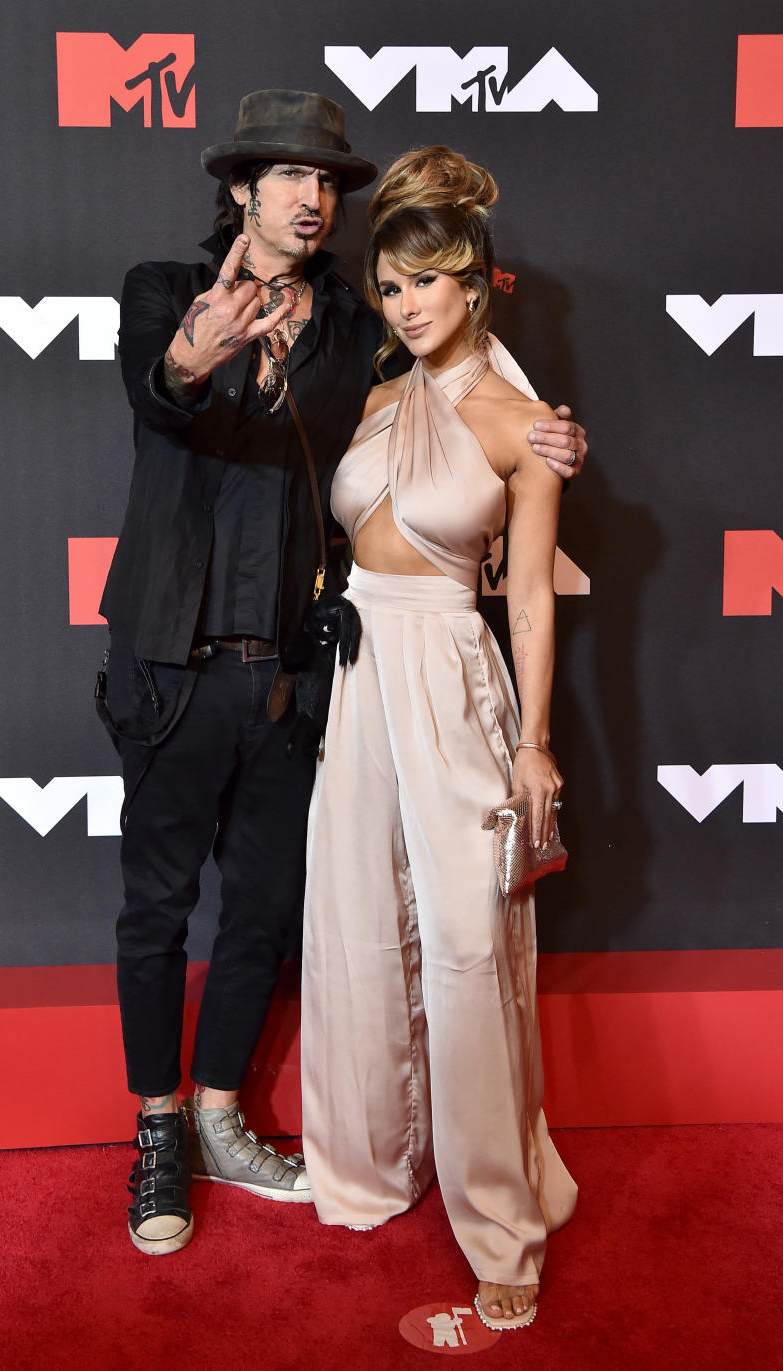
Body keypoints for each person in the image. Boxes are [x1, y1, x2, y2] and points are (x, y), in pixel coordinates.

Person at [99, 92, 587, 1258]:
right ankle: (158, 1131)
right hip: (168, 658)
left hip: (300, 678)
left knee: (269, 909)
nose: (314, 197)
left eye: (328, 181)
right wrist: (191, 358)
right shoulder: (164, 291)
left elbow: (453, 389)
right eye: (288, 176)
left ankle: (221, 1113)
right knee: (157, 907)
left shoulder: (356, 335)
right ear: (240, 191)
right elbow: (155, 391)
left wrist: (552, 439)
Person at [301, 146, 579, 1330]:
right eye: (391, 286)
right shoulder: (374, 399)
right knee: (359, 920)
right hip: (358, 678)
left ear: (474, 283)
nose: (408, 306)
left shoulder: (529, 430)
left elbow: (523, 595)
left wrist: (535, 742)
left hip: (455, 678)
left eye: (429, 283)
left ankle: (503, 1225)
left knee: (469, 946)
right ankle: (370, 1168)